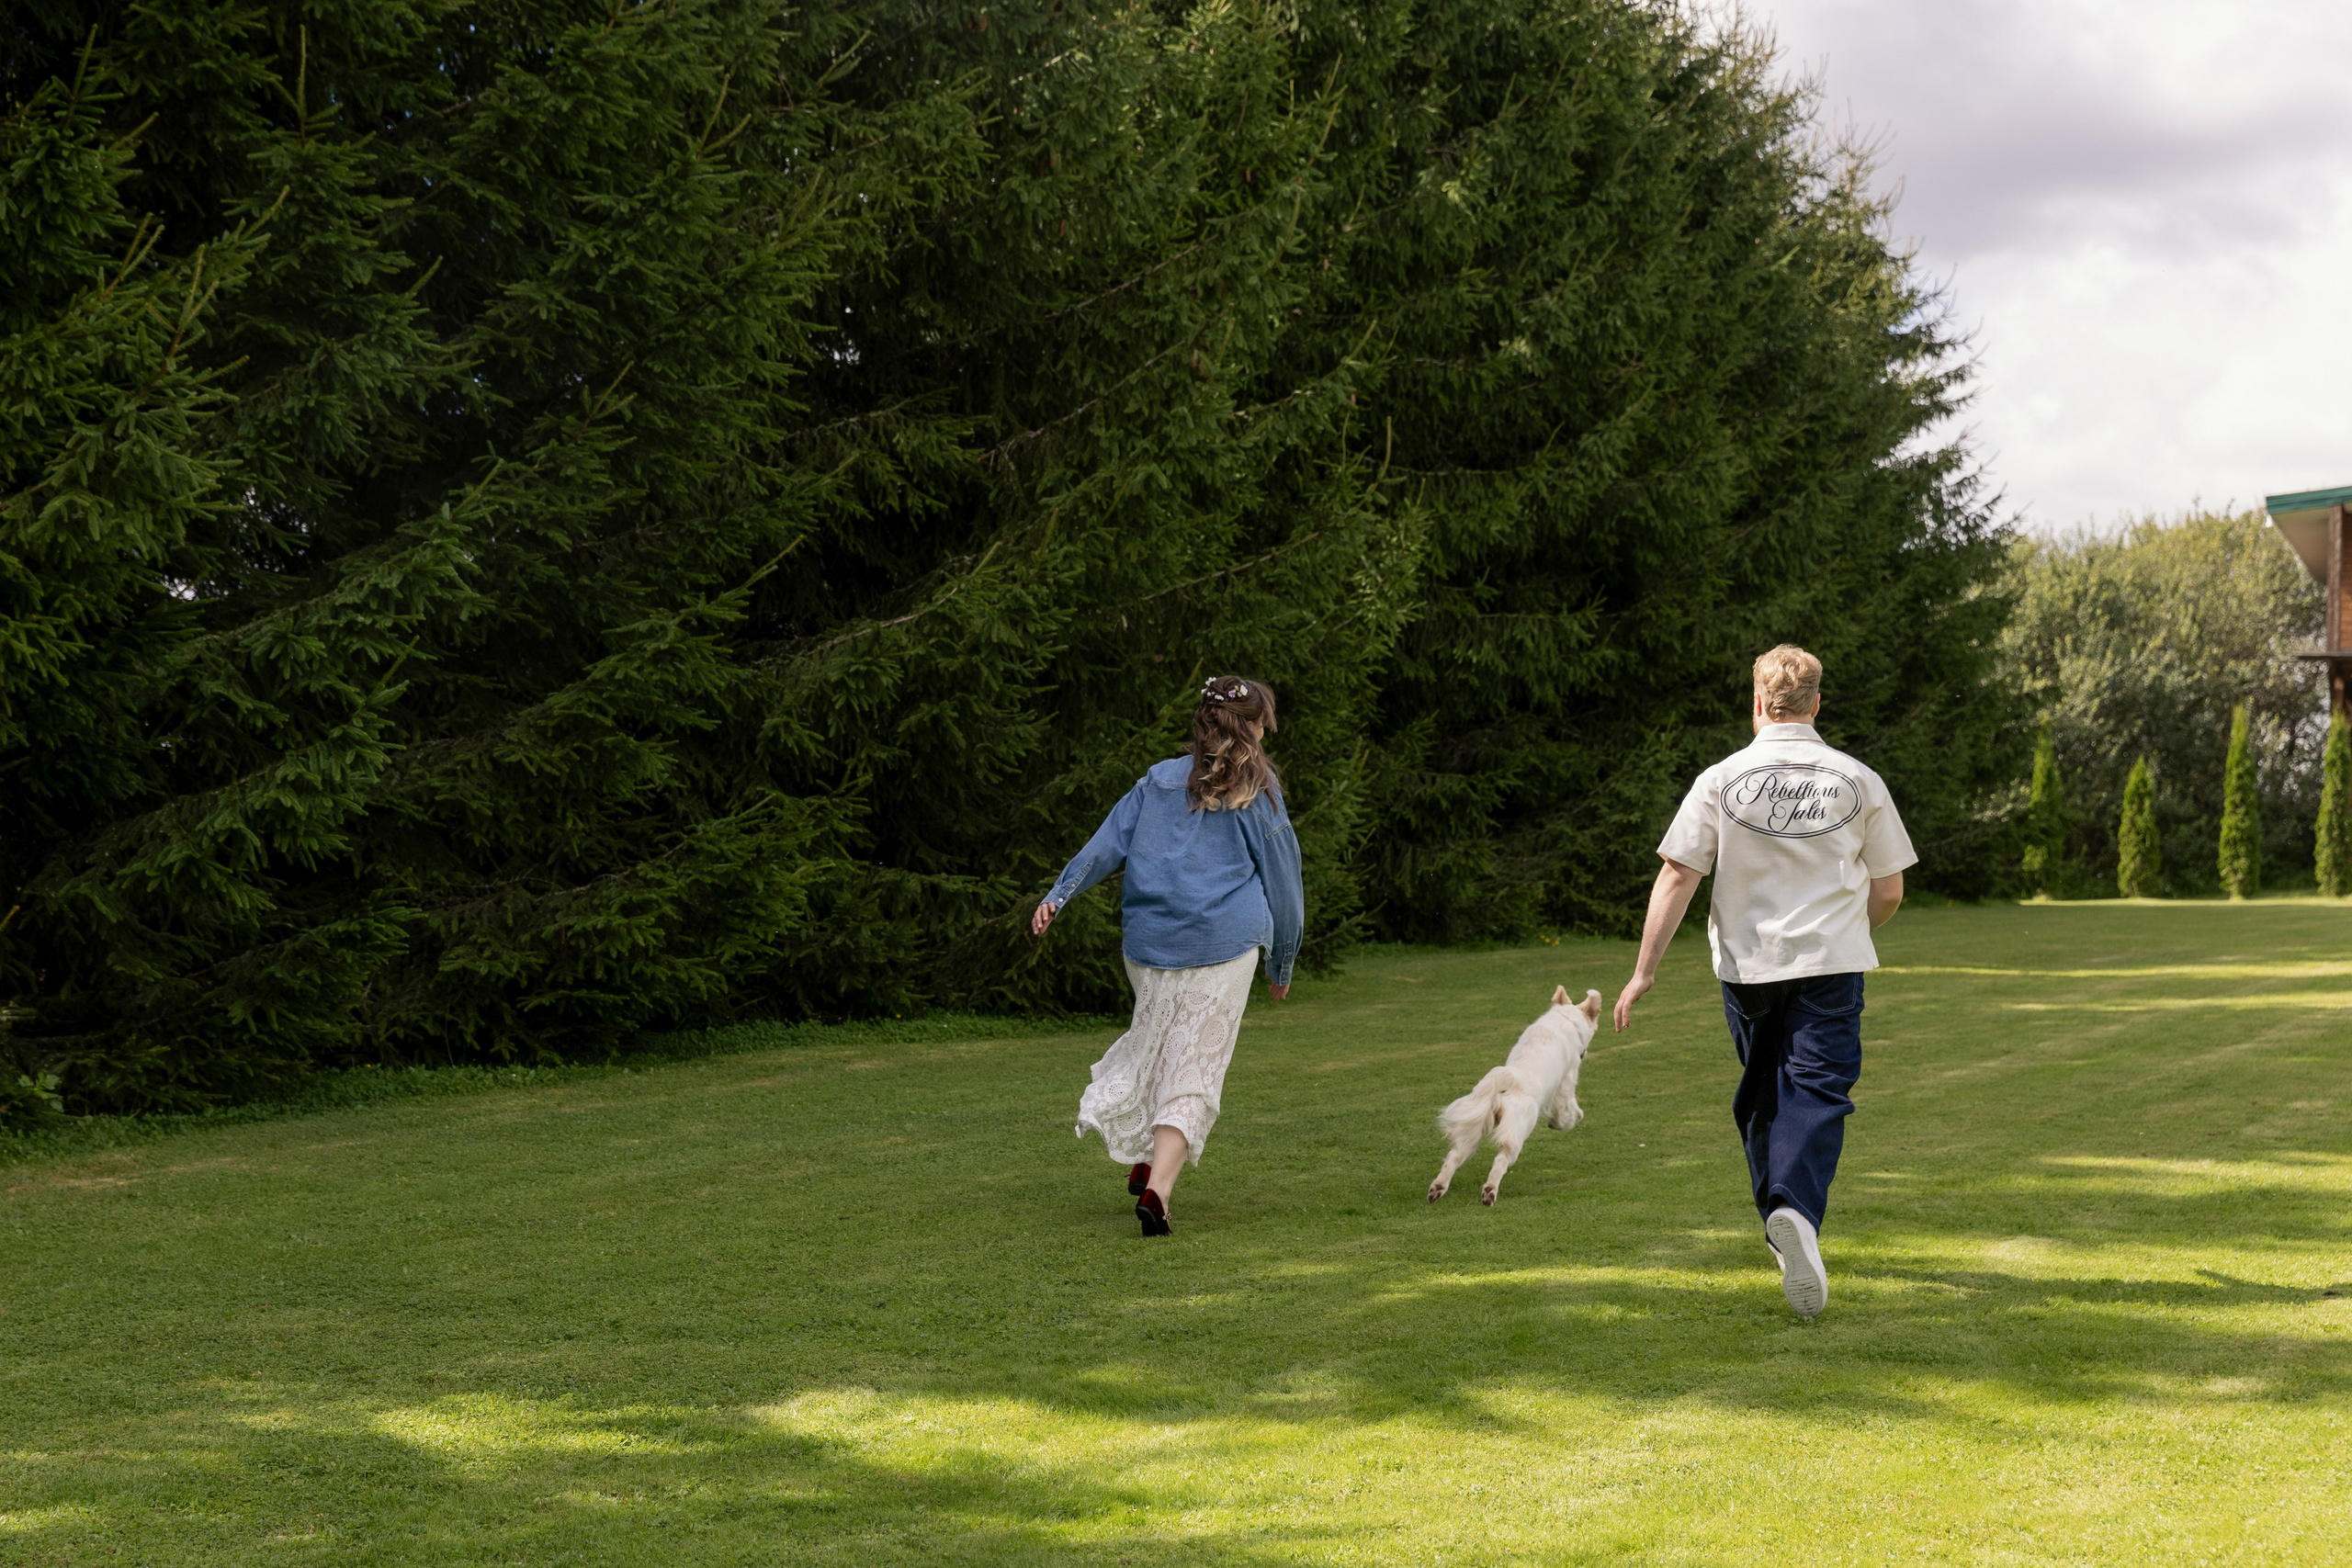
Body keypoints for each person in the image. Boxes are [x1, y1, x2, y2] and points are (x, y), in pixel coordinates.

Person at [1612, 645, 1914, 1317]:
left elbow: (1678, 874)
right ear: (1816, 704)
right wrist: (1852, 929)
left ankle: (1783, 1218)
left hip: (1748, 969)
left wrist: (1643, 972)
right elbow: (1890, 889)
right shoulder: (1858, 779)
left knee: (1762, 1094)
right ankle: (1794, 1212)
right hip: (1830, 965)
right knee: (1818, 1088)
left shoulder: (1720, 779)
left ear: (1756, 703)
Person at [1032, 675, 1305, 1236]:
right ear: (1252, 727)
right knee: (1194, 1066)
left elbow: (1106, 843)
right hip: (1225, 946)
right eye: (1263, 725)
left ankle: (1146, 1160)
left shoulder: (1157, 780)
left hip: (1148, 946)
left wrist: (1060, 893)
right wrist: (1282, 962)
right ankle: (1158, 1191)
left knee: (1161, 1046)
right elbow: (1285, 885)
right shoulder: (1258, 792)